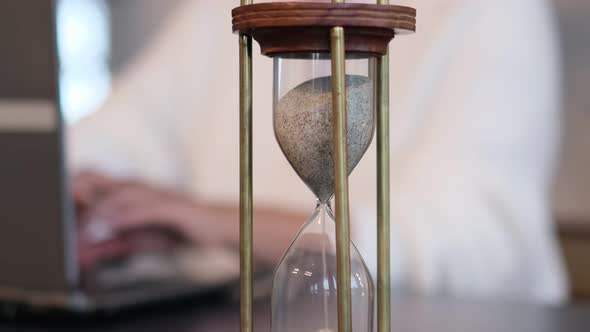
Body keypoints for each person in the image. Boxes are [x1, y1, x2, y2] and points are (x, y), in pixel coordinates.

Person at [69, 0, 568, 304]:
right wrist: (82, 183)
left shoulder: (487, 9)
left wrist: (218, 221)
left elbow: (474, 241)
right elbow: (124, 130)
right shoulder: (211, 13)